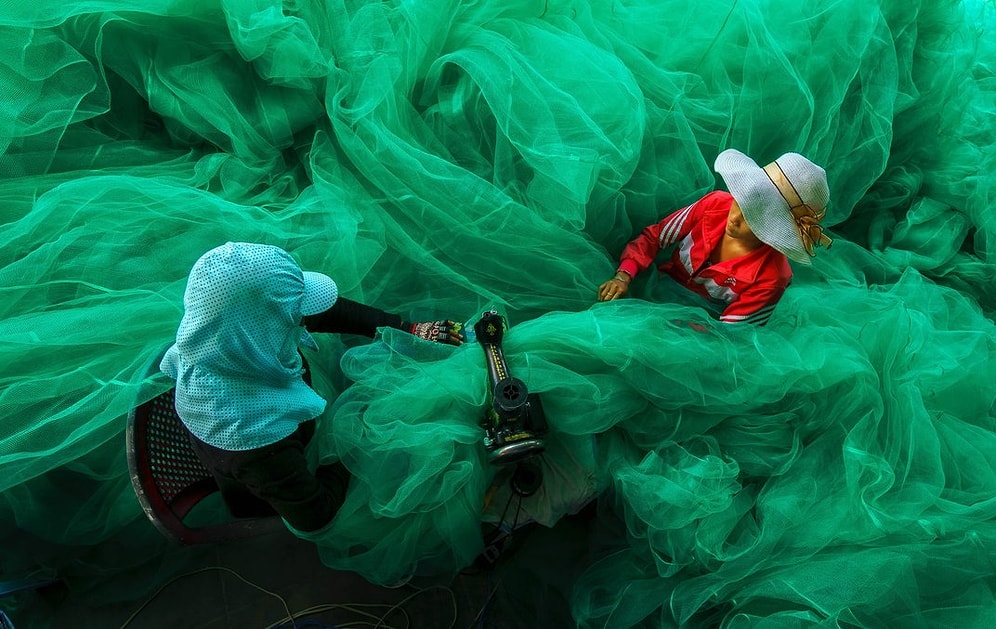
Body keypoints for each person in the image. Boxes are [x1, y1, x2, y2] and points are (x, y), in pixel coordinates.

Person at [159, 241, 464, 534]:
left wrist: (401, 328)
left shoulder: (222, 339)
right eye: (295, 315)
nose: (303, 318)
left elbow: (306, 309)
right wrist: (352, 436)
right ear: (267, 328)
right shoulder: (254, 438)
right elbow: (315, 516)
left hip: (284, 444)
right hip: (284, 488)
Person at [597, 149, 832, 326]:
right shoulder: (715, 204)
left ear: (775, 228)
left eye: (754, 218)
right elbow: (655, 237)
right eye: (741, 200)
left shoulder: (772, 276)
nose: (735, 217)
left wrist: (683, 332)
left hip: (700, 327)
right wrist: (624, 275)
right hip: (652, 287)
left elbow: (731, 332)